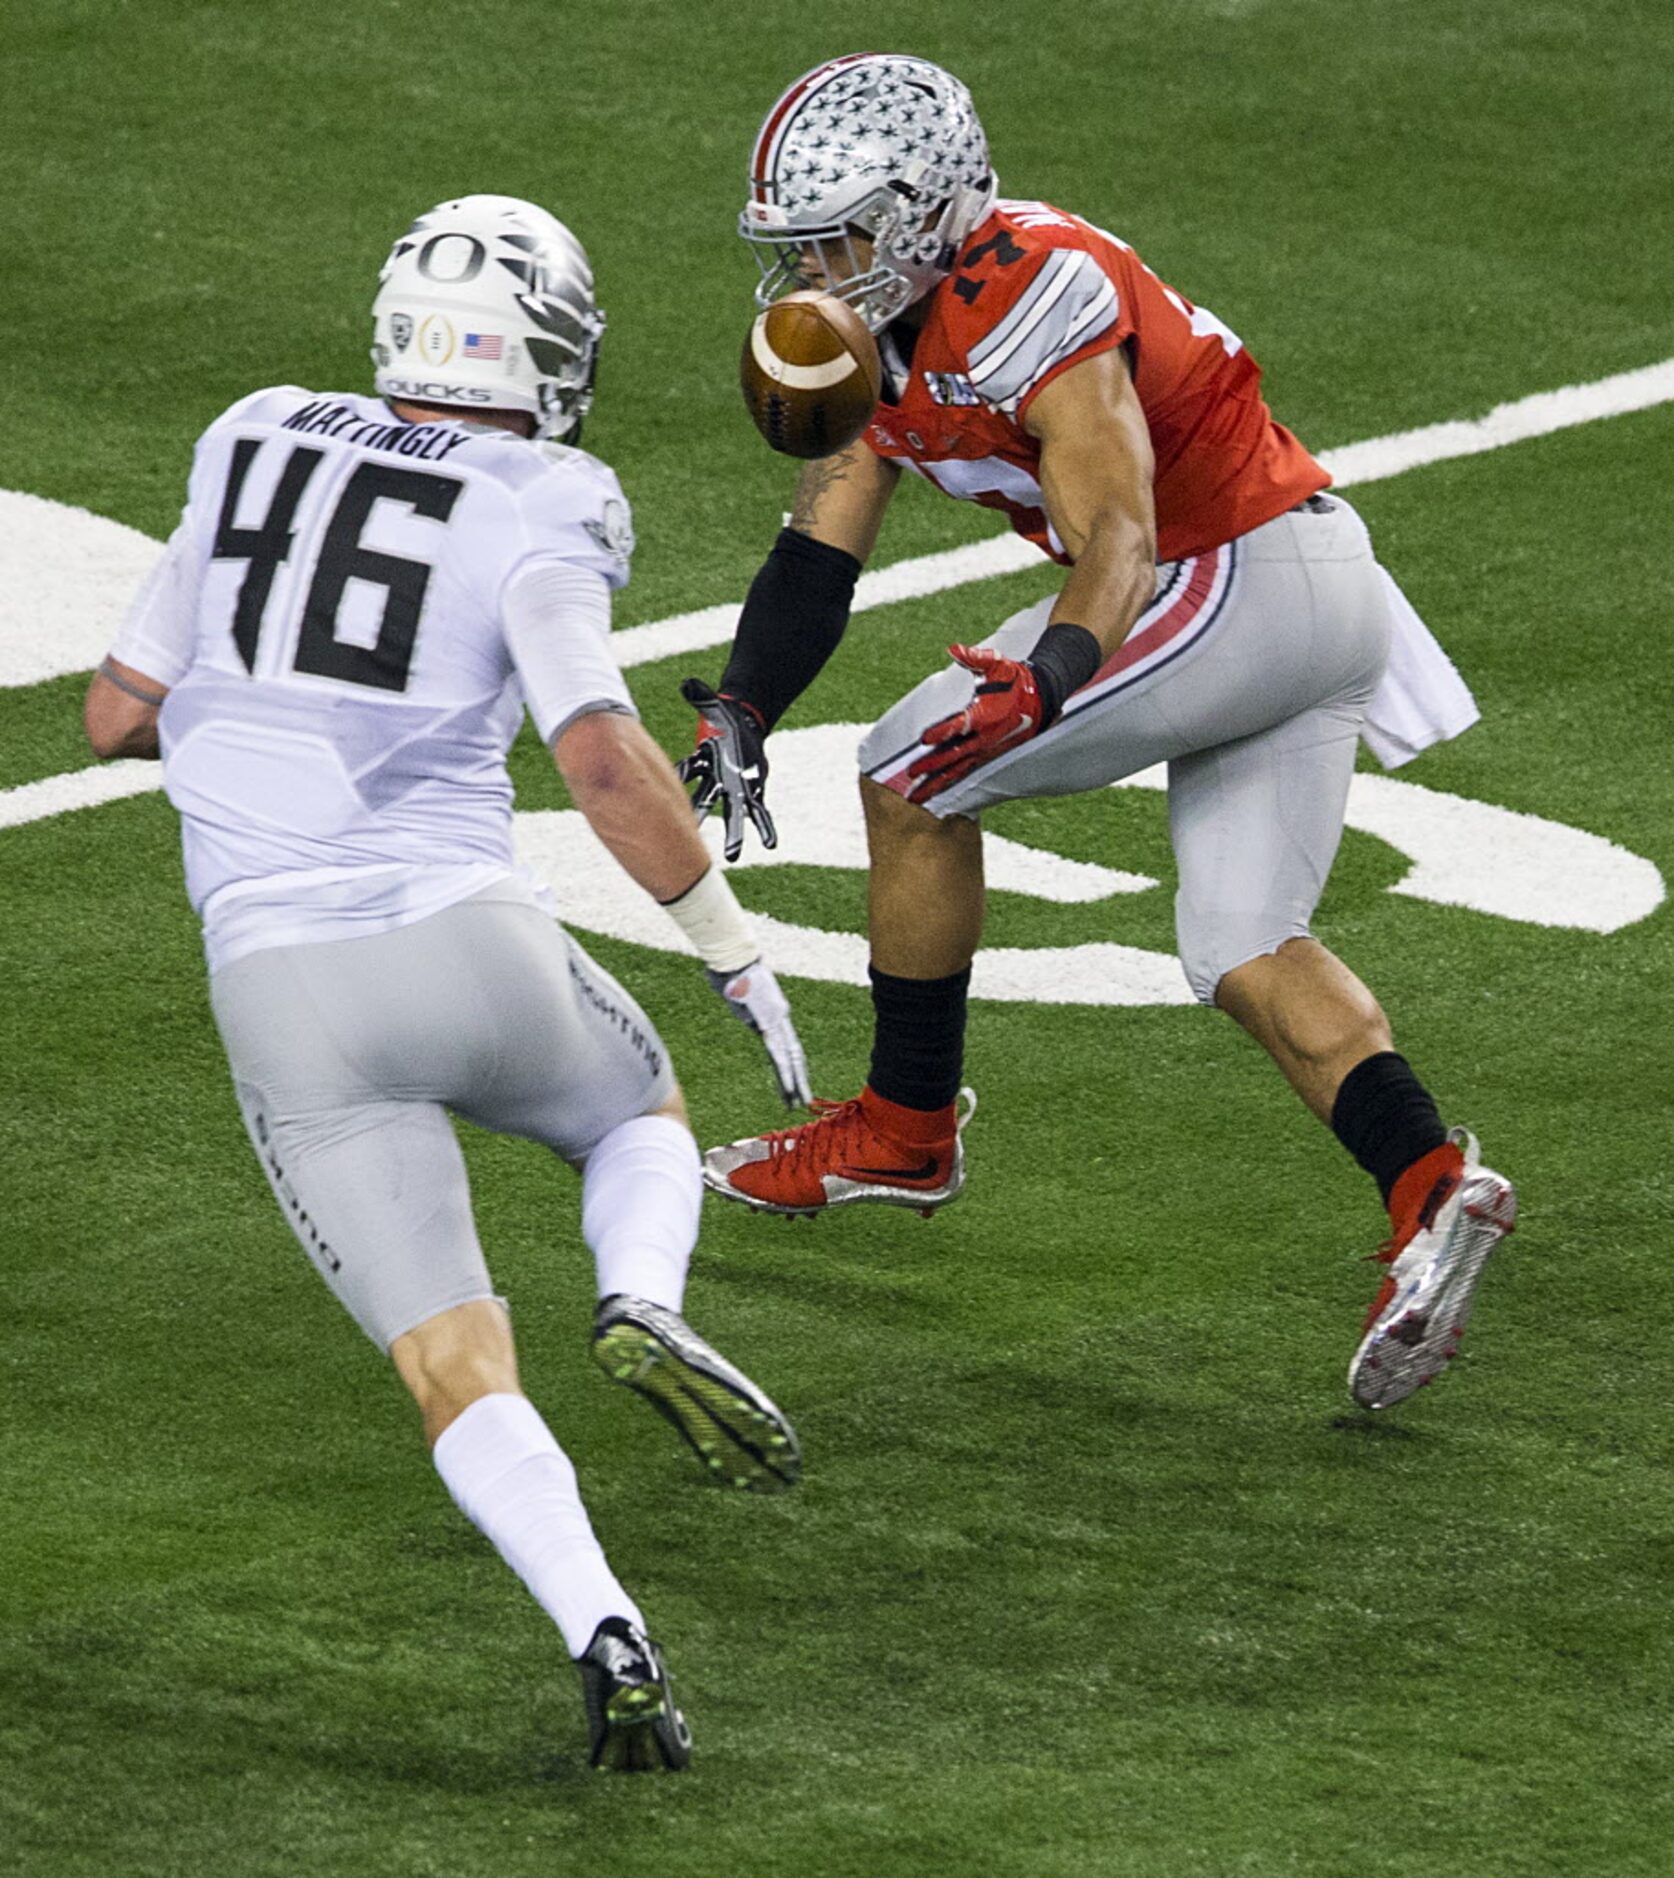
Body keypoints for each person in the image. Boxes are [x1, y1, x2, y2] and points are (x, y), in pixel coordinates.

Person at [82, 194, 812, 1772]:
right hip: (464, 941)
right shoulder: (545, 490)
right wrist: (729, 948)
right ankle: (642, 1298)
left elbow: (110, 710)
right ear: (546, 349)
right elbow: (605, 756)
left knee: (449, 1360)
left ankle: (605, 1625)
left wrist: (237, 734)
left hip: (282, 988)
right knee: (638, 1114)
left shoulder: (253, 431)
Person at [681, 55, 1516, 1412]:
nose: (814, 273)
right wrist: (740, 702)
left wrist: (1055, 673)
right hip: (1274, 584)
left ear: (922, 209)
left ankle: (901, 1126)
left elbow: (1118, 530)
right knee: (1240, 943)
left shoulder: (1026, 284)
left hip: (1235, 571)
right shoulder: (877, 335)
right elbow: (820, 543)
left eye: (838, 238)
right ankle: (1431, 1187)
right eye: (801, 246)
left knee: (906, 773)